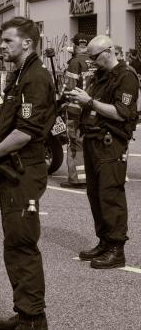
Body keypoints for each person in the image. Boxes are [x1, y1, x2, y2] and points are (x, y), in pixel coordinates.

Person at [0, 17, 56, 330]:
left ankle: (32, 319)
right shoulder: (21, 75)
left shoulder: (35, 78)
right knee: (15, 244)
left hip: (23, 172)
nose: (2, 46)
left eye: (8, 41)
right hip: (14, 171)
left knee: (22, 245)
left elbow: (26, 132)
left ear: (27, 43)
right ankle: (25, 313)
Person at [66, 35, 138, 270]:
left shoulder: (126, 77)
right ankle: (104, 241)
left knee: (110, 195)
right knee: (95, 194)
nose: (93, 62)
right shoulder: (100, 76)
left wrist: (89, 102)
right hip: (93, 139)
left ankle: (117, 249)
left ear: (108, 52)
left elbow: (121, 113)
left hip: (111, 143)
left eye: (95, 57)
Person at [60, 33, 95, 189]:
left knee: (75, 144)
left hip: (76, 109)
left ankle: (78, 179)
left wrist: (59, 100)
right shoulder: (95, 61)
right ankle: (91, 176)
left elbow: (68, 88)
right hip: (94, 109)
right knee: (89, 143)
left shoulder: (75, 62)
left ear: (75, 46)